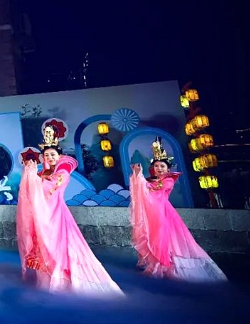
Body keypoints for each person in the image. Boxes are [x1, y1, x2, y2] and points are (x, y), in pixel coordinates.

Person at [16, 124, 123, 296]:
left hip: (56, 215)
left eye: (53, 155)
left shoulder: (62, 172)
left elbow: (50, 188)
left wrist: (33, 178)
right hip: (42, 216)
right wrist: (29, 175)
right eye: (46, 155)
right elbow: (29, 191)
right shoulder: (42, 173)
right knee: (43, 245)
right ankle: (47, 281)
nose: (50, 157)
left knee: (61, 246)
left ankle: (66, 281)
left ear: (59, 156)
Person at [129, 137, 227, 282]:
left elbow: (154, 192)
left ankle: (167, 267)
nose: (159, 169)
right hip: (154, 214)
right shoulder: (152, 181)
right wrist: (137, 176)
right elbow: (143, 190)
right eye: (156, 166)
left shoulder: (168, 180)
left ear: (168, 169)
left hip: (164, 214)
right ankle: (156, 265)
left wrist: (141, 178)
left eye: (162, 166)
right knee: (155, 238)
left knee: (166, 240)